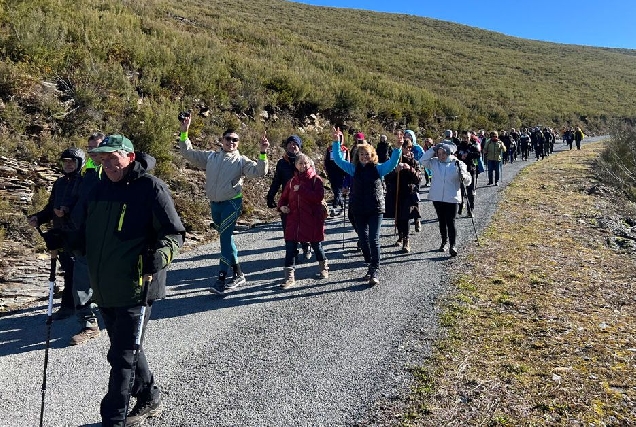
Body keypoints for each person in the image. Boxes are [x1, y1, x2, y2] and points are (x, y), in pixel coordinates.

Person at [71, 134, 185, 426]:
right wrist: (63, 239)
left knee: (122, 358)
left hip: (138, 287)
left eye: (112, 158)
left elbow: (174, 234)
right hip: (106, 287)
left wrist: (160, 256)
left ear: (129, 157)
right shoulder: (98, 190)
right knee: (127, 350)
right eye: (102, 159)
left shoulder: (151, 188)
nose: (106, 164)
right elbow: (83, 235)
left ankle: (113, 418)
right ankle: (150, 395)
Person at [178, 115, 269, 295]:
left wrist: (263, 152)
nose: (231, 142)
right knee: (227, 240)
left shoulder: (241, 161)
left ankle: (221, 279)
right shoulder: (211, 157)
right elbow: (187, 153)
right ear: (222, 140)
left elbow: (260, 172)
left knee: (225, 239)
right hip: (215, 204)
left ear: (238, 143)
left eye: (235, 140)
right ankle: (239, 274)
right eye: (228, 139)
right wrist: (184, 132)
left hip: (232, 203)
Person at [331, 127, 402, 285]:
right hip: (358, 208)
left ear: (372, 156)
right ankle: (370, 262)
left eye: (367, 154)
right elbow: (337, 159)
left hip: (375, 208)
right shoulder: (353, 169)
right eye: (361, 154)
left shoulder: (379, 169)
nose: (364, 157)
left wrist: (397, 148)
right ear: (358, 156)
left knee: (373, 239)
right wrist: (336, 142)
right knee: (363, 239)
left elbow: (392, 163)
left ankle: (375, 268)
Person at [28, 146, 85, 320]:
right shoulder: (59, 183)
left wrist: (67, 211)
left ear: (80, 163)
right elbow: (50, 209)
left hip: (78, 235)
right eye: (65, 161)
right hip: (61, 234)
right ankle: (71, 306)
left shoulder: (83, 182)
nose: (68, 164)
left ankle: (76, 307)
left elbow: (84, 209)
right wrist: (38, 217)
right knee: (68, 270)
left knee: (76, 271)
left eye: (72, 161)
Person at [68, 132, 104, 345]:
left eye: (96, 147)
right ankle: (89, 325)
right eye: (89, 148)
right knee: (81, 281)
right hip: (86, 235)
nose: (92, 151)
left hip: (110, 237)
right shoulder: (87, 171)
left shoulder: (117, 169)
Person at [277, 153, 329, 288]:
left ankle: (323, 267)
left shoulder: (316, 180)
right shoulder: (291, 182)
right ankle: (289, 277)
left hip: (312, 220)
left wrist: (302, 190)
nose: (302, 165)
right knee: (290, 248)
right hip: (294, 220)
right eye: (299, 163)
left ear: (310, 164)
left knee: (317, 245)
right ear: (295, 165)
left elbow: (318, 197)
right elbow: (283, 198)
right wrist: (282, 207)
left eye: (305, 163)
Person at [418, 142, 472, 257]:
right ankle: (444, 242)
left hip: (451, 197)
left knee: (450, 222)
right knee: (442, 221)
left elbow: (468, 181)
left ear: (448, 153)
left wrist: (464, 177)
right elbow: (422, 160)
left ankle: (453, 245)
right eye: (439, 153)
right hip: (437, 197)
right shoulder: (434, 163)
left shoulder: (458, 164)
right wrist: (433, 149)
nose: (441, 156)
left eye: (443, 153)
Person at [267, 135, 312, 259]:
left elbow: (314, 180)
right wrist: (271, 195)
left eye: (295, 144)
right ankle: (292, 253)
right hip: (287, 200)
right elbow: (277, 181)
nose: (293, 146)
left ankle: (306, 244)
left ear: (299, 146)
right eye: (290, 143)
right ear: (286, 146)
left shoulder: (306, 161)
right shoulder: (282, 163)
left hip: (304, 200)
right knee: (288, 228)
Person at [383, 139, 421, 253]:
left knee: (406, 217)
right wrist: (395, 171)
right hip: (395, 192)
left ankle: (406, 240)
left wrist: (410, 169)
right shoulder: (393, 160)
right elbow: (386, 177)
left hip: (408, 193)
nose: (408, 150)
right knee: (397, 217)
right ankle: (400, 235)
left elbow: (418, 179)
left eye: (409, 148)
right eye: (405, 147)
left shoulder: (413, 161)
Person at [456, 131, 481, 217]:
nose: (465, 139)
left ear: (470, 137)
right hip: (460, 171)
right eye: (464, 138)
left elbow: (478, 155)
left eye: (467, 137)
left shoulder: (473, 146)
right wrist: (459, 156)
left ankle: (470, 210)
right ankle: (460, 206)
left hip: (470, 170)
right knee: (460, 191)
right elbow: (454, 156)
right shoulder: (458, 147)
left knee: (471, 192)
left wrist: (468, 155)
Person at [324, 135, 350, 216]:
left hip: (341, 173)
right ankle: (342, 206)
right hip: (331, 173)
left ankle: (334, 207)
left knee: (338, 189)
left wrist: (347, 172)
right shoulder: (329, 149)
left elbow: (347, 161)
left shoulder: (345, 149)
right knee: (335, 190)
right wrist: (326, 170)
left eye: (340, 138)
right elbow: (326, 160)